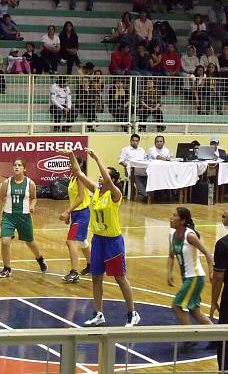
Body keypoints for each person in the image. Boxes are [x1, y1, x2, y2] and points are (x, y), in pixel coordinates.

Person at [62, 150, 140, 327]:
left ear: (111, 180)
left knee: (120, 277)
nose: (99, 178)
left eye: (103, 176)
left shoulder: (115, 195)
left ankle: (132, 313)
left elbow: (108, 179)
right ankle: (98, 313)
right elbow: (78, 173)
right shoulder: (96, 192)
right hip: (98, 240)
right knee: (96, 278)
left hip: (113, 241)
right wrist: (70, 155)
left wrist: (97, 159)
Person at [0, 158, 47, 278]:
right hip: (8, 216)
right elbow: (0, 199)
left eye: (19, 165)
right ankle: (7, 268)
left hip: (24, 216)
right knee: (4, 241)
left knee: (30, 242)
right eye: (15, 165)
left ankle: (40, 258)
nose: (16, 167)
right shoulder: (7, 183)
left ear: (24, 168)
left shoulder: (30, 183)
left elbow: (34, 198)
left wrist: (33, 205)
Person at [167, 208, 214, 330]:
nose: (171, 218)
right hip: (187, 277)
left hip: (195, 277)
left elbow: (207, 253)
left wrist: (211, 271)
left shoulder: (190, 236)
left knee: (176, 305)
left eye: (174, 215)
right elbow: (171, 256)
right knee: (194, 311)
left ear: (182, 221)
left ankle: (189, 336)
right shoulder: (171, 234)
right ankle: (217, 336)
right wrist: (169, 273)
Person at [59, 156, 91, 283]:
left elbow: (81, 198)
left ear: (81, 164)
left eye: (73, 163)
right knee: (82, 241)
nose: (70, 165)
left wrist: (67, 212)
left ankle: (74, 272)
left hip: (82, 213)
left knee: (70, 241)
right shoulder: (72, 178)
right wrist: (70, 214)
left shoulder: (80, 177)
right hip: (76, 214)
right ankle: (91, 266)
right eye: (70, 163)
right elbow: (73, 198)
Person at [211, 210, 228, 371]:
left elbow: (217, 278)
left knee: (224, 340)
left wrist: (213, 301)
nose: (223, 214)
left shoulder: (223, 244)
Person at [119, 134, 147, 198]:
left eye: (136, 141)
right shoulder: (125, 149)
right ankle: (146, 195)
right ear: (130, 141)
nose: (135, 142)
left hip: (141, 169)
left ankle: (153, 194)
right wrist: (129, 166)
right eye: (133, 140)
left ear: (139, 142)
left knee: (150, 175)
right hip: (130, 170)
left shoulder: (142, 150)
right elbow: (120, 161)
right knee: (136, 176)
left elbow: (145, 160)